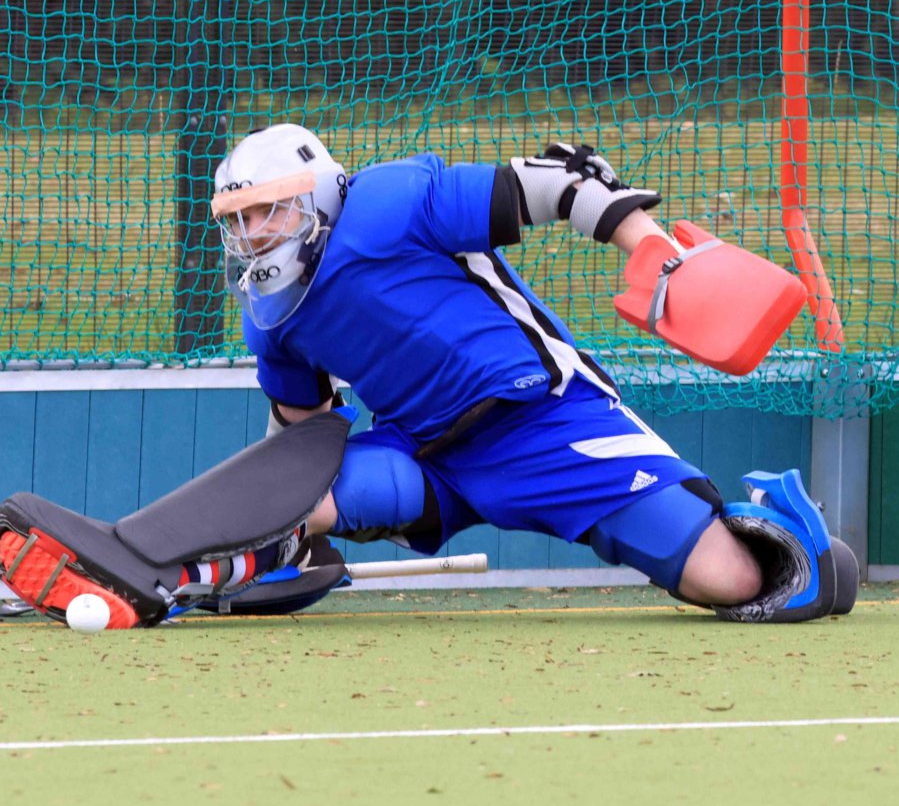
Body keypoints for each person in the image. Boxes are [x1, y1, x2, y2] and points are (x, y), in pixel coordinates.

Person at [213, 123, 857, 622]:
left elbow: (554, 182)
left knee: (744, 582)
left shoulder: (392, 200)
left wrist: (655, 249)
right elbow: (300, 437)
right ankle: (252, 560)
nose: (253, 233)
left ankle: (781, 525)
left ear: (318, 194)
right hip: (426, 456)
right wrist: (280, 519)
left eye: (269, 209)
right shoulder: (268, 316)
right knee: (314, 500)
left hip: (545, 418)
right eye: (238, 219)